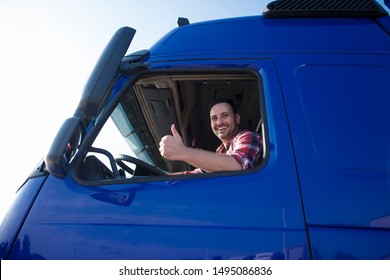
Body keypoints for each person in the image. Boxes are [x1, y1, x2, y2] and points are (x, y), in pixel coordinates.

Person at [159, 99, 263, 174]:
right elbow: (197, 174)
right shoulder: (220, 151)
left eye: (225, 115)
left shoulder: (248, 136)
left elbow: (237, 166)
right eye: (214, 118)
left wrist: (182, 152)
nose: (219, 122)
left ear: (237, 118)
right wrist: (164, 178)